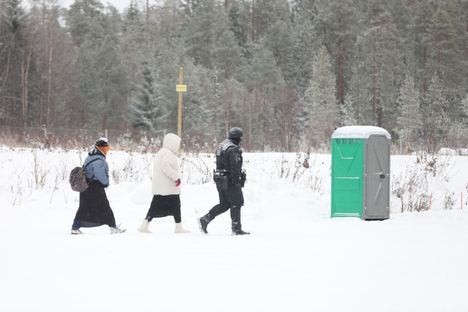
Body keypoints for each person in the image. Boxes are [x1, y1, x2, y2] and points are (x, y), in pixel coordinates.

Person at [198, 127, 249, 235]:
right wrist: (237, 182)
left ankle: (205, 219)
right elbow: (234, 167)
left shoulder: (222, 146)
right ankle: (236, 228)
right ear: (238, 138)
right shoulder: (233, 149)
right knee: (237, 203)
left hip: (220, 179)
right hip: (230, 180)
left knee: (225, 204)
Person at [71, 137, 126, 235]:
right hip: (95, 188)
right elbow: (100, 174)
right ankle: (113, 227)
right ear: (99, 148)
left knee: (84, 208)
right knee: (105, 207)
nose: (106, 151)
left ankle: (75, 227)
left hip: (86, 188)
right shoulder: (99, 160)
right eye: (104, 148)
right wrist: (106, 183)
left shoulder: (91, 157)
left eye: (106, 148)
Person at [137, 133, 190, 234]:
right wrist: (176, 178)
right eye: (177, 144)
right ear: (172, 143)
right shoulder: (168, 154)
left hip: (162, 187)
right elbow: (165, 166)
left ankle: (145, 225)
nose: (178, 147)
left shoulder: (162, 152)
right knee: (175, 205)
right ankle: (178, 227)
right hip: (168, 187)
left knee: (156, 206)